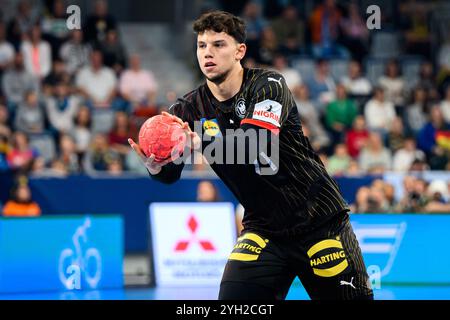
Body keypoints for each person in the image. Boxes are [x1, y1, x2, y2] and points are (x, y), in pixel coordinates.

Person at [128, 11, 373, 300]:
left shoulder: (269, 84)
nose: (208, 53)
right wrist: (155, 165)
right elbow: (170, 175)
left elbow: (256, 144)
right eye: (202, 45)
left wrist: (200, 142)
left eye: (218, 45)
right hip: (264, 230)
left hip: (320, 221)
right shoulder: (188, 110)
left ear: (239, 51)